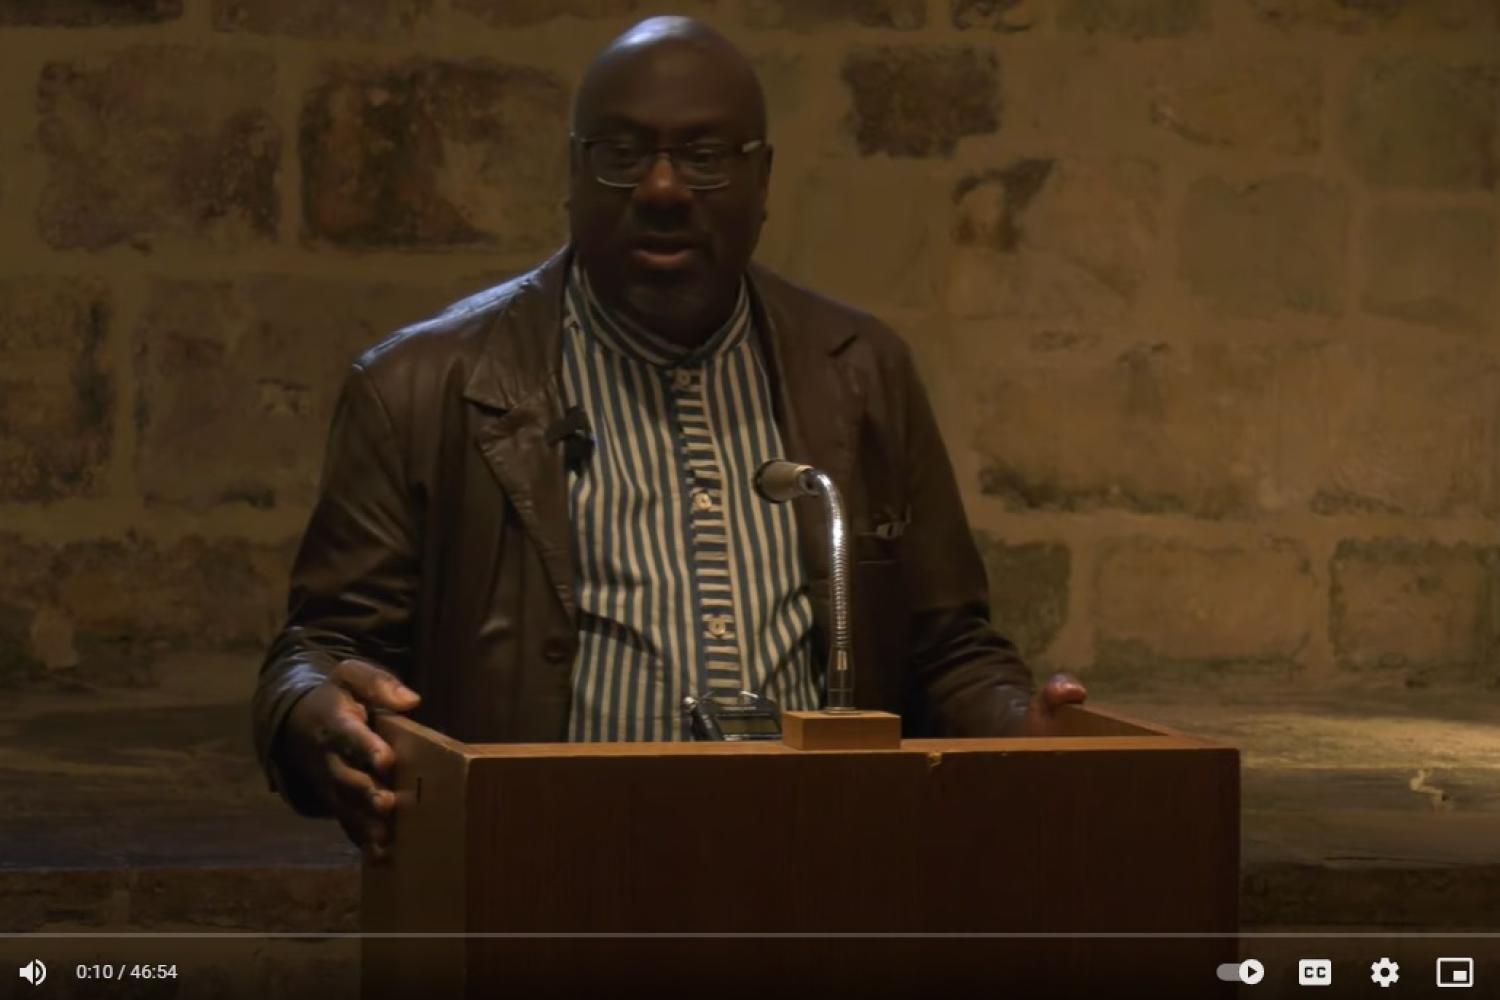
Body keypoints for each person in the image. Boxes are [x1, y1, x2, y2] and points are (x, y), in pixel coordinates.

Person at [253, 16, 1087, 857]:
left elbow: (946, 647)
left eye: (704, 156)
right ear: (574, 175)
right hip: (541, 870)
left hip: (819, 866)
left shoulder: (862, 373)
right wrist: (310, 714)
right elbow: (324, 650)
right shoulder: (418, 387)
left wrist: (1020, 727)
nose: (661, 188)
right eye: (621, 153)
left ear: (762, 181)